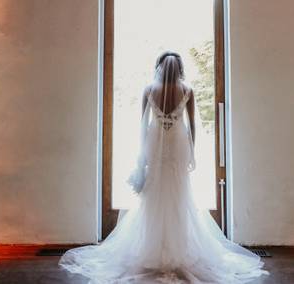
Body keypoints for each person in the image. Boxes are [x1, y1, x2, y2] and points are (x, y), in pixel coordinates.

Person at [59, 51, 268, 283]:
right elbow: (192, 125)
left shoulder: (149, 90)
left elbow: (142, 125)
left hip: (154, 142)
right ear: (179, 69)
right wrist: (192, 150)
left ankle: (151, 247)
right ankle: (179, 248)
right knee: (179, 193)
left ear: (159, 66)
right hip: (178, 143)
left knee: (153, 194)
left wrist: (141, 154)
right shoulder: (187, 90)